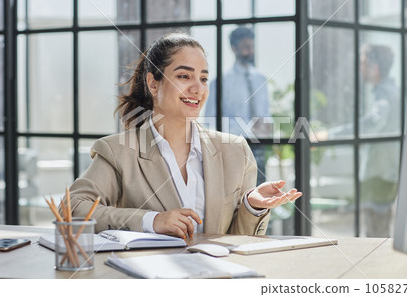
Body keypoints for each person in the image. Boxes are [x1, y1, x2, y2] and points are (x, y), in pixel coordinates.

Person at [66, 33, 302, 238]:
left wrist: (251, 206)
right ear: (153, 83)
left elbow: (237, 241)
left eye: (203, 78)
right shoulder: (118, 151)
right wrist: (151, 221)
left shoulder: (236, 150)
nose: (198, 88)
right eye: (183, 76)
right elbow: (73, 207)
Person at [318, 44, 400, 237]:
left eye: (363, 63)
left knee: (376, 232)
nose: (360, 69)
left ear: (375, 67)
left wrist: (331, 135)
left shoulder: (386, 94)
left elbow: (373, 122)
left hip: (380, 174)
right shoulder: (391, 91)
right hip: (386, 172)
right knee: (378, 228)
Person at [205, 26, 271, 186]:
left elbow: (265, 112)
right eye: (245, 47)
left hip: (259, 149)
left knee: (260, 196)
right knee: (235, 194)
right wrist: (247, 129)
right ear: (234, 48)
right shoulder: (221, 82)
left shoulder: (260, 79)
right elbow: (210, 120)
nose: (250, 51)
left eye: (252, 46)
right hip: (232, 147)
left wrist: (267, 125)